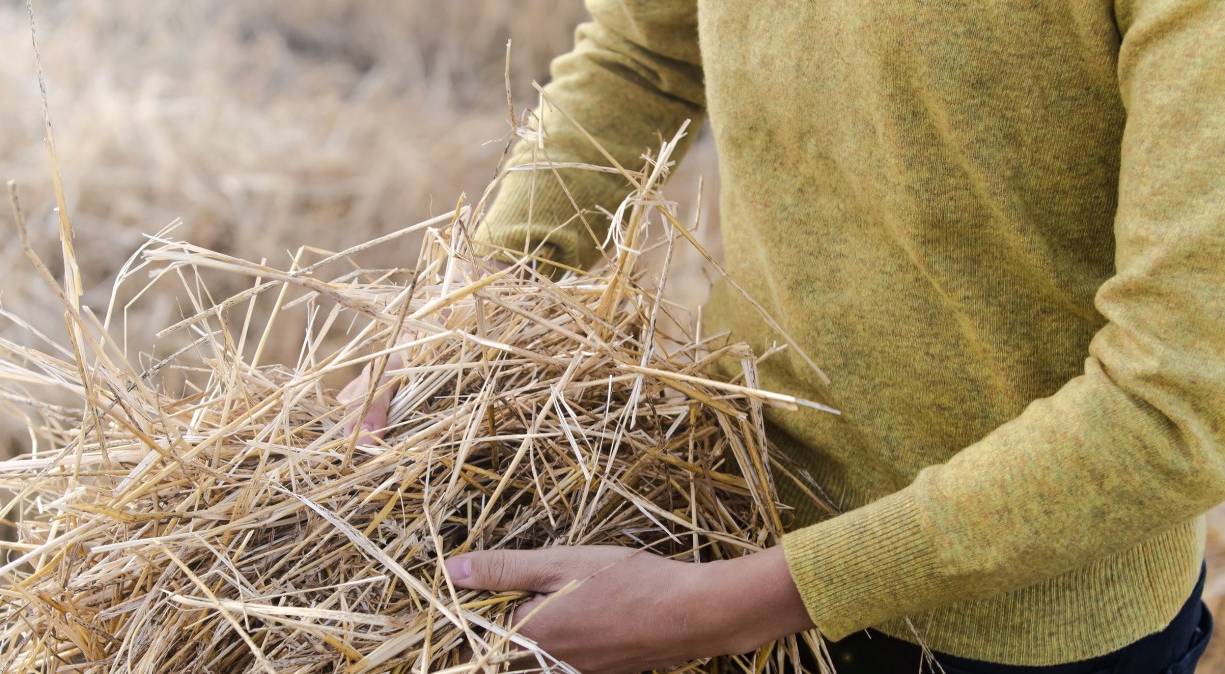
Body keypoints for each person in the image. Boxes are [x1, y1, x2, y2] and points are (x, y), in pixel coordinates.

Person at [339, 2, 1223, 672]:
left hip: (1019, 634)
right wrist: (477, 319)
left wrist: (713, 610)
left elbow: (1175, 405)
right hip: (726, 504)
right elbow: (646, 53)